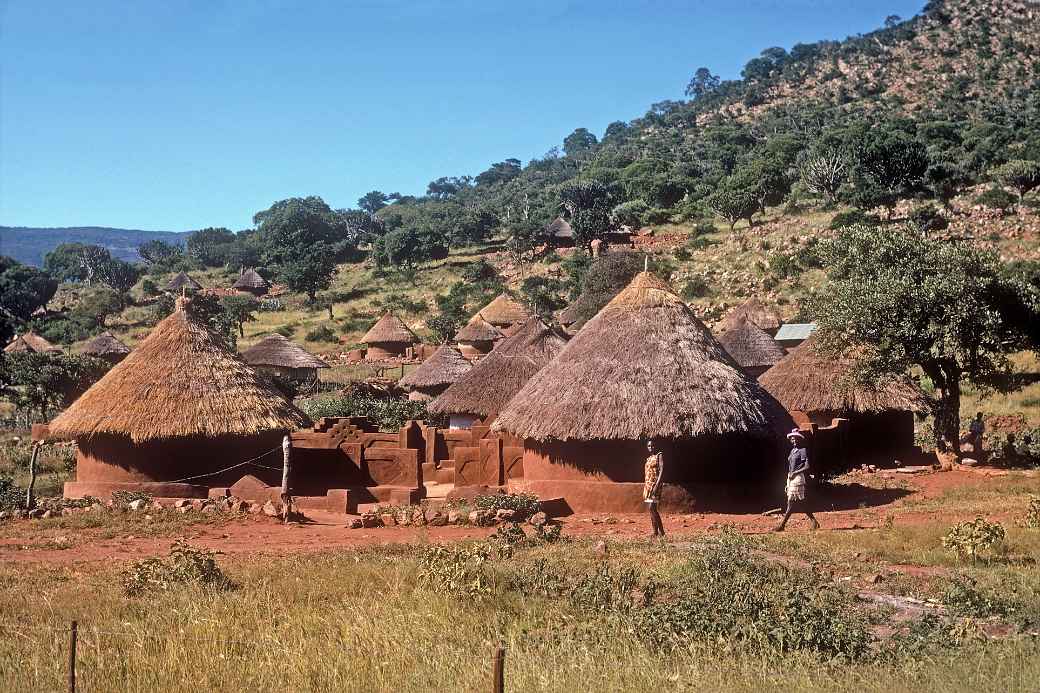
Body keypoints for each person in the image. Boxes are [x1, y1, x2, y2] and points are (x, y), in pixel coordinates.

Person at [773, 429, 819, 532]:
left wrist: (796, 473)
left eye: (796, 439)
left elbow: (807, 466)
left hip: (798, 478)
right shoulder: (792, 451)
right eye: (792, 439)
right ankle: (814, 521)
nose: (794, 441)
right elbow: (791, 467)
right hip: (791, 478)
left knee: (791, 502)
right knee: (799, 502)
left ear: (799, 439)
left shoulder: (803, 450)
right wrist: (788, 479)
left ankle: (782, 525)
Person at [644, 440, 665, 537]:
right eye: (649, 445)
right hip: (648, 486)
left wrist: (657, 484)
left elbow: (661, 470)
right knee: (651, 509)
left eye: (652, 445)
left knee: (652, 508)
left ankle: (662, 532)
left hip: (655, 485)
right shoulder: (649, 458)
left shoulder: (659, 455)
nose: (650, 447)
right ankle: (655, 532)